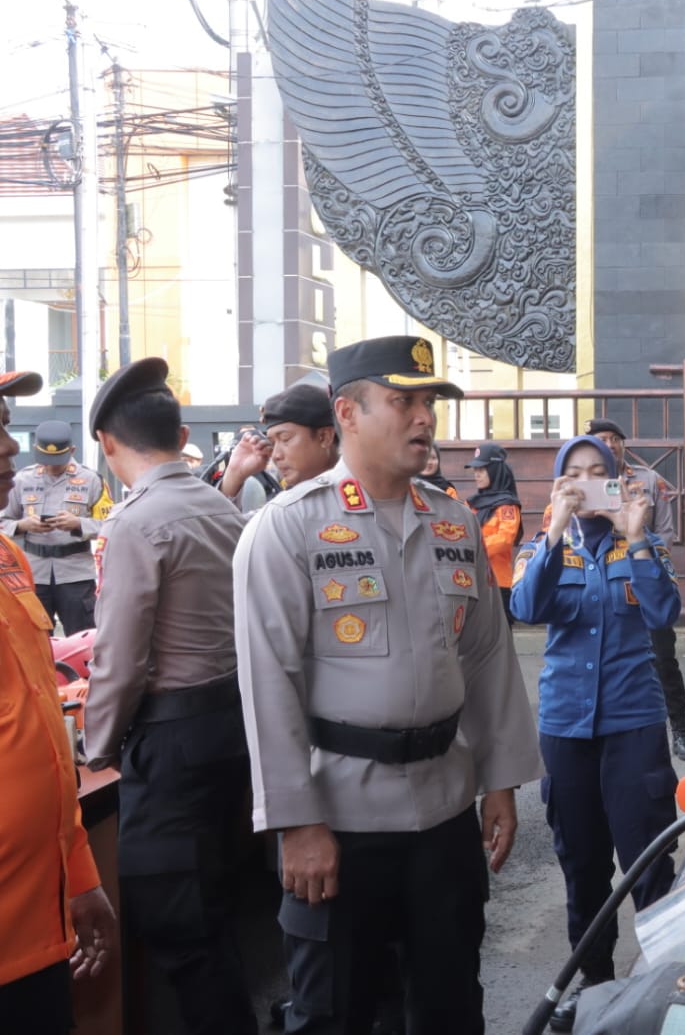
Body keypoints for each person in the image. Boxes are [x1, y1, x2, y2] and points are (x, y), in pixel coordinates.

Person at [234, 336, 541, 1035]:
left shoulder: (453, 520)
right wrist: (297, 824)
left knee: (449, 1003)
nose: (423, 418)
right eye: (402, 401)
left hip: (443, 813)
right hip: (339, 819)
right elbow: (267, 683)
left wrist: (500, 781)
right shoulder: (288, 528)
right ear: (347, 411)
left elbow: (489, 659)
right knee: (336, 1009)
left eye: (428, 401)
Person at [80, 358, 258, 1035]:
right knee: (214, 914)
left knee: (178, 923)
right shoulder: (219, 505)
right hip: (227, 724)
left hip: (172, 745)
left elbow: (120, 659)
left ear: (107, 443)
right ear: (181, 434)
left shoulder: (137, 522)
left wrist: (95, 747)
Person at [509, 435, 680, 1031]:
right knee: (581, 864)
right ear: (559, 487)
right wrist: (554, 528)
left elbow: (664, 615)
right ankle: (598, 985)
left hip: (634, 723)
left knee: (649, 862)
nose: (584, 484)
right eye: (572, 476)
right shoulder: (543, 546)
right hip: (565, 727)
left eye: (596, 473)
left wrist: (636, 535)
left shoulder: (644, 542)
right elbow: (526, 608)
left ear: (616, 480)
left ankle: (662, 985)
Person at [0, 370, 117, 1035]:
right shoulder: (17, 516)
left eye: (5, 426)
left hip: (37, 931)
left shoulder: (6, 560)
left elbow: (42, 736)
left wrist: (78, 873)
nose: (7, 450)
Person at [586, 417, 685, 762]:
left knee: (663, 660)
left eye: (614, 438)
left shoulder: (650, 480)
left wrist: (644, 560)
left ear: (623, 444)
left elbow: (665, 529)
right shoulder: (584, 482)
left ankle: (680, 730)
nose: (609, 444)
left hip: (644, 582)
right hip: (602, 589)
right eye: (601, 439)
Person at [0, 419, 112, 635]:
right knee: (34, 636)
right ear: (35, 450)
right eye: (46, 459)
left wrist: (78, 524)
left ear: (72, 450)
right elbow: (2, 522)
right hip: (33, 573)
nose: (51, 465)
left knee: (82, 636)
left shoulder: (92, 480)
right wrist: (22, 525)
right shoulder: (21, 479)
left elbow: (110, 525)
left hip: (75, 574)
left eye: (58, 459)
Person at [220, 383, 340, 502]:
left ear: (324, 437)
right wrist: (234, 474)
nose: (275, 455)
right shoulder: (283, 510)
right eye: (272, 443)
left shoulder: (354, 490)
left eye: (285, 439)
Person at [464, 442, 524, 622]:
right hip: (471, 581)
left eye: (482, 469)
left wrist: (472, 549)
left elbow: (505, 539)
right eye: (475, 470)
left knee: (500, 642)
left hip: (498, 583)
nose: (477, 474)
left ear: (495, 470)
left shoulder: (507, 504)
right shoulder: (472, 504)